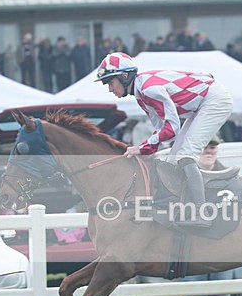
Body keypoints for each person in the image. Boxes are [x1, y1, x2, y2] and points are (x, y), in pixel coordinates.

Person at [95, 52, 233, 228]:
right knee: (173, 160)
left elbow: (172, 129)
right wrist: (146, 150)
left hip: (214, 100)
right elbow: (161, 131)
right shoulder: (140, 94)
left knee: (186, 156)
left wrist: (140, 148)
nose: (109, 88)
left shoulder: (149, 90)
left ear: (124, 76)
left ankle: (202, 213)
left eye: (110, 82)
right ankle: (182, 208)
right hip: (200, 104)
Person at [180, 137, 233, 296]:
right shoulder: (182, 177)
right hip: (192, 249)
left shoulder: (230, 177)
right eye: (205, 147)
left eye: (212, 147)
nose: (208, 151)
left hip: (223, 249)